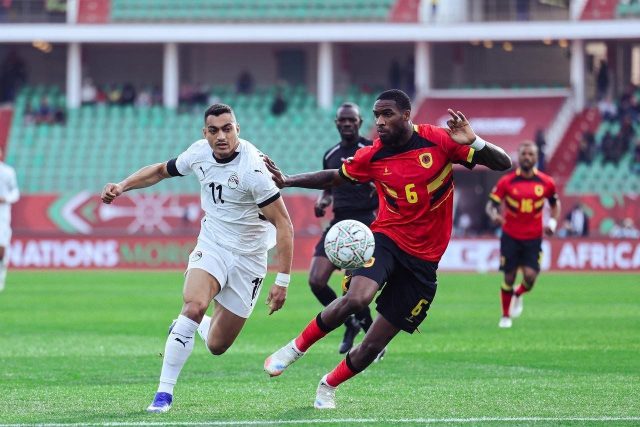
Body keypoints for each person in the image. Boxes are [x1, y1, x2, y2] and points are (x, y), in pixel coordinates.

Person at [262, 89, 511, 409]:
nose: (379, 121)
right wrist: (288, 180)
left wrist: (474, 141)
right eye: (377, 115)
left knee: (372, 345)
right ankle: (294, 348)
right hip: (386, 239)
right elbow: (336, 176)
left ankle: (328, 385)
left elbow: (503, 163)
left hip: (424, 262)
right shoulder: (373, 155)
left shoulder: (439, 140)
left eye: (387, 114)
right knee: (357, 298)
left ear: (406, 115)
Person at [100, 103, 294, 413]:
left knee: (217, 345)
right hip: (213, 244)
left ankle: (193, 326)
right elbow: (161, 170)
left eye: (227, 129)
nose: (221, 136)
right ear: (205, 133)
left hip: (250, 258)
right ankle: (163, 394)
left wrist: (282, 281)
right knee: (193, 304)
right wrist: (123, 185)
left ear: (237, 129)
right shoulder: (199, 153)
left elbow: (284, 224)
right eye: (214, 131)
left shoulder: (254, 170)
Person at [311, 102, 378, 355]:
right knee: (316, 281)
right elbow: (328, 188)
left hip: (365, 223)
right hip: (339, 223)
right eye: (343, 120)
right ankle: (350, 323)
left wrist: (376, 187)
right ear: (336, 123)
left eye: (352, 119)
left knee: (352, 287)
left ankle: (371, 338)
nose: (347, 123)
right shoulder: (330, 154)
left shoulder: (371, 150)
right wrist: (323, 201)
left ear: (360, 122)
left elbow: (387, 180)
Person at [486, 141, 561, 329]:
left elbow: (555, 204)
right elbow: (491, 205)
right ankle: (505, 316)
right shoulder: (507, 182)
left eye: (531, 154)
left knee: (530, 277)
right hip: (510, 236)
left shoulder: (546, 182)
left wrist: (552, 223)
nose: (527, 157)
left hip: (534, 238)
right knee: (509, 277)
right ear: (518, 157)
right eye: (524, 154)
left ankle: (518, 294)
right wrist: (494, 215)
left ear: (536, 157)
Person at [0, 147, 19, 292]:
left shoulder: (7, 172)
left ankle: (1, 277)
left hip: (2, 215)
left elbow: (15, 192)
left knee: (1, 248)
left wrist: (5, 198)